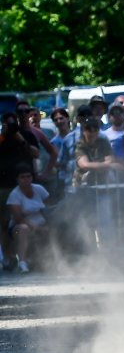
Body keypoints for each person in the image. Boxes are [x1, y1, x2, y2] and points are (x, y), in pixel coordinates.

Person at [1, 113, 40, 269]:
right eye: (7, 124)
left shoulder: (26, 135)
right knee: (4, 224)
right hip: (3, 186)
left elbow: (36, 153)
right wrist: (3, 135)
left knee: (27, 219)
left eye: (13, 124)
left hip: (25, 184)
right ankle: (9, 258)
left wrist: (20, 138)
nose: (10, 127)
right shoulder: (1, 138)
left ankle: (30, 257)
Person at [6, 164, 50, 273]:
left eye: (28, 176)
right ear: (17, 179)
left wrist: (49, 224)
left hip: (41, 223)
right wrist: (36, 227)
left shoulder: (39, 189)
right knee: (23, 228)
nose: (26, 179)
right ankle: (22, 263)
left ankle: (53, 259)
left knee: (58, 225)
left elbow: (48, 208)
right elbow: (18, 219)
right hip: (18, 228)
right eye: (22, 177)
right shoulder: (14, 195)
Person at [73, 118, 122, 187]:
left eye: (95, 129)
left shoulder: (103, 142)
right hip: (83, 181)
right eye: (89, 130)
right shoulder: (80, 145)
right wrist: (107, 165)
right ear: (83, 131)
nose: (92, 133)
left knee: (111, 176)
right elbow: (84, 165)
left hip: (102, 180)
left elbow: (110, 160)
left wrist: (99, 165)